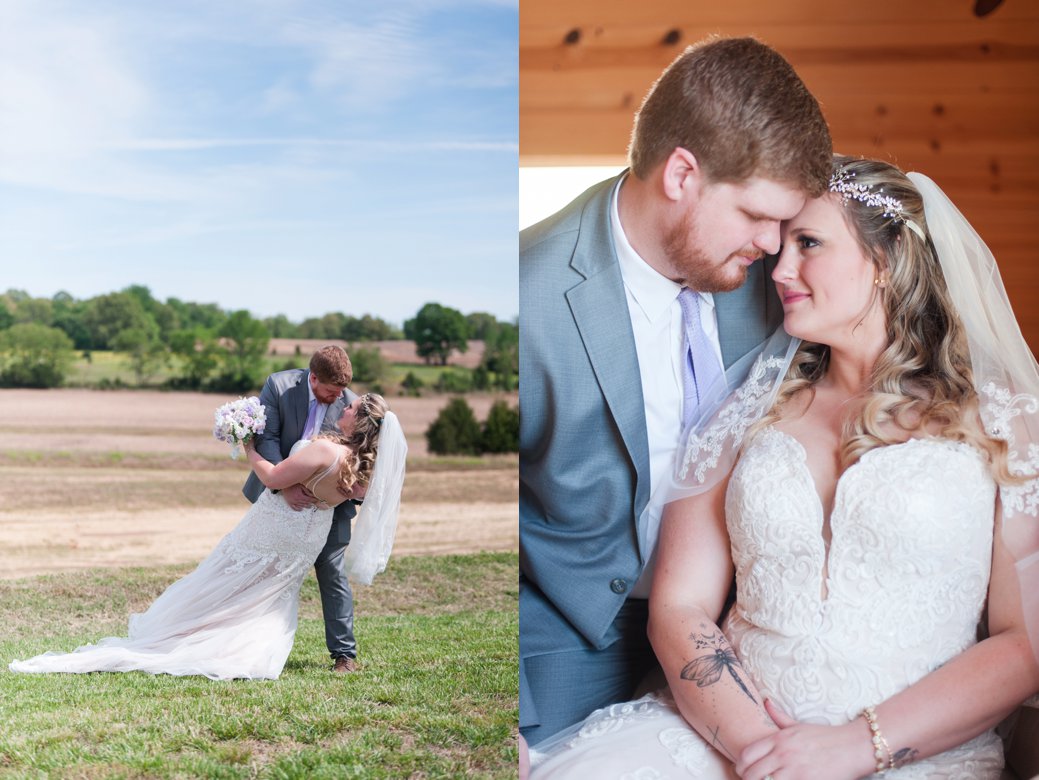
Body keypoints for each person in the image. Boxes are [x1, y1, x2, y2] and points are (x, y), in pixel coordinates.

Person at [528, 156, 1039, 778]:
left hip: (916, 749)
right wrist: (760, 751)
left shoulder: (1000, 423)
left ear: (885, 262)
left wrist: (857, 746)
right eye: (779, 245)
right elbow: (681, 607)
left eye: (809, 244)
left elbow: (1026, 643)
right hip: (726, 738)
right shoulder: (745, 411)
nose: (781, 269)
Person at [519, 35, 832, 746]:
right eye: (756, 216)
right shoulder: (525, 297)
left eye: (787, 222)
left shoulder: (782, 279)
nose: (777, 244)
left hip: (754, 633)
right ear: (681, 173)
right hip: (570, 642)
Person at [9, 392, 406, 680]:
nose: (346, 406)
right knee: (265, 594)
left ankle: (190, 637)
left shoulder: (325, 451)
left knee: (225, 576)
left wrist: (247, 443)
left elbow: (271, 476)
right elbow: (344, 497)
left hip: (277, 524)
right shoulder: (361, 469)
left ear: (361, 421)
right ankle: (247, 647)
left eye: (352, 407)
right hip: (307, 537)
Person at [243, 345, 362, 673]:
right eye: (329, 391)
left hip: (330, 507)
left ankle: (344, 654)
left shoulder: (353, 404)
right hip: (279, 497)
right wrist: (284, 485)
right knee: (263, 570)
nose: (336, 398)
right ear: (312, 378)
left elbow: (360, 453)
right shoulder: (279, 386)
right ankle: (247, 643)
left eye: (340, 392)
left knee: (333, 571)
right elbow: (267, 438)